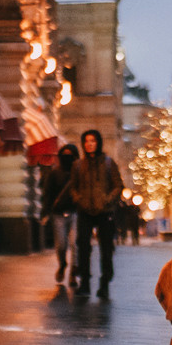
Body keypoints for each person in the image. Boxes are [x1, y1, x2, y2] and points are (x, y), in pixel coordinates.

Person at [56, 128, 123, 299]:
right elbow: (74, 187)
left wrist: (108, 200)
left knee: (106, 249)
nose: (89, 144)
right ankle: (84, 282)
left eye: (92, 141)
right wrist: (78, 199)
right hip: (85, 211)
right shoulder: (78, 165)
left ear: (98, 143)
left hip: (105, 211)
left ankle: (105, 283)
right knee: (83, 247)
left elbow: (118, 185)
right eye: (86, 141)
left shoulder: (108, 163)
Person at [41, 143, 78, 287]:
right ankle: (62, 265)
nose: (67, 158)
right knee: (61, 244)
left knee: (75, 244)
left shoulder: (78, 173)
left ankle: (73, 273)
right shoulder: (54, 173)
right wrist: (46, 211)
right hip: (58, 215)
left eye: (70, 155)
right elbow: (47, 194)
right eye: (65, 155)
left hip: (75, 213)